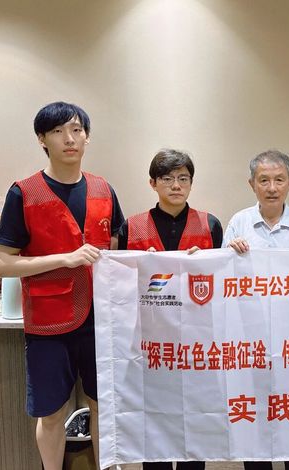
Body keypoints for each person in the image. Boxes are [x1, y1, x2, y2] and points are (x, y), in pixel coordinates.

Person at [0, 101, 125, 470]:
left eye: (77, 130)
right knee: (51, 413)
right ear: (42, 139)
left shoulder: (103, 189)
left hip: (101, 319)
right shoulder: (24, 193)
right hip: (48, 322)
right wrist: (64, 259)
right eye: (58, 131)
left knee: (103, 406)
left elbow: (118, 248)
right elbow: (2, 264)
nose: (69, 139)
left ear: (87, 137)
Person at [118, 148, 222, 470]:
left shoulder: (210, 225)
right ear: (153, 183)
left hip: (197, 343)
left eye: (183, 178)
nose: (176, 185)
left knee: (196, 419)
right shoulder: (131, 228)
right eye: (167, 179)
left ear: (191, 183)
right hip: (151, 344)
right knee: (155, 421)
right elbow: (117, 283)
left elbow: (223, 283)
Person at [224, 149, 289, 470]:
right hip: (251, 335)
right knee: (256, 412)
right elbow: (223, 279)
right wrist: (229, 253)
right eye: (263, 180)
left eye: (279, 180)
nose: (271, 187)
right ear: (251, 184)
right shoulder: (239, 223)